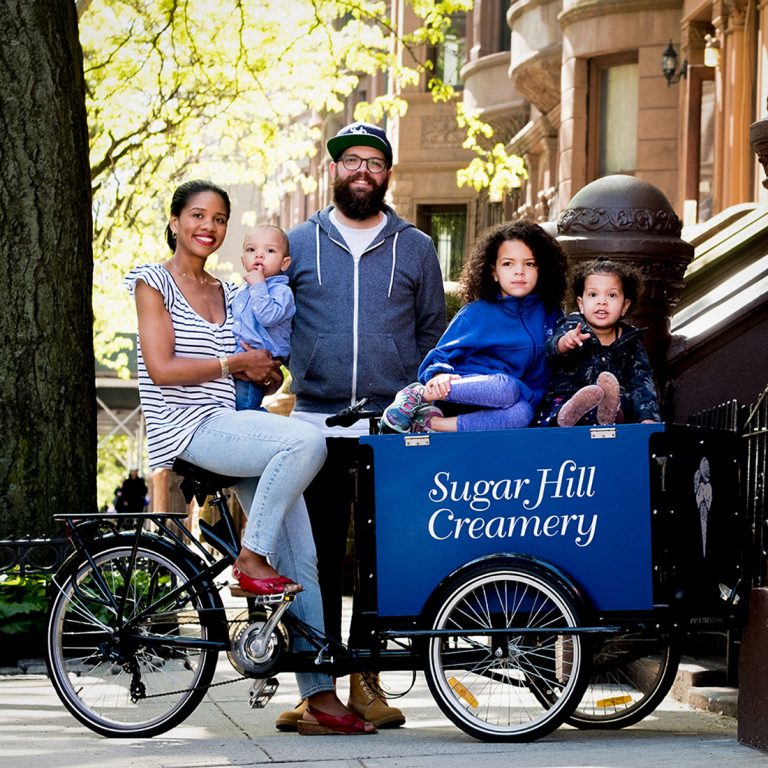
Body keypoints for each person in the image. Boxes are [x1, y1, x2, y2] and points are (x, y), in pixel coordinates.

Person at [124, 179, 375, 736]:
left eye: (218, 219)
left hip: (233, 424)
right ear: (174, 221)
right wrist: (236, 365)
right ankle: (251, 556)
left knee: (303, 558)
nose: (208, 227)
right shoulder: (152, 282)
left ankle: (319, 697)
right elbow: (162, 369)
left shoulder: (230, 290)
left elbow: (257, 358)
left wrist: (264, 372)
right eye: (197, 215)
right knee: (305, 440)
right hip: (188, 429)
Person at [282, 121, 446, 730]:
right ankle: (316, 687)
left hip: (389, 428)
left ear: (387, 174)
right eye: (350, 160)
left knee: (381, 560)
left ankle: (367, 681)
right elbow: (272, 319)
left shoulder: (416, 247)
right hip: (314, 425)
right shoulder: (298, 243)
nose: (361, 171)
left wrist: (416, 401)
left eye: (373, 163)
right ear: (334, 170)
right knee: (315, 559)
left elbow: (433, 334)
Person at [381, 219, 567, 433]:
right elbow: (440, 355)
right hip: (469, 391)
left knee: (524, 413)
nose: (519, 271)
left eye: (530, 264)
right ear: (493, 272)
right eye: (508, 264)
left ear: (542, 269)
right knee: (506, 388)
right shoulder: (477, 313)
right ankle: (416, 395)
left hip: (513, 401)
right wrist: (439, 376)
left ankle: (428, 424)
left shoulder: (550, 313)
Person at [537, 258, 661, 426]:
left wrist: (648, 417)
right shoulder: (573, 327)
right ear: (581, 304)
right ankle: (571, 417)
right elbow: (549, 351)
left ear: (625, 306)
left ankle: (610, 414)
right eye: (593, 295)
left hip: (617, 405)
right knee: (563, 404)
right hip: (570, 397)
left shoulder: (630, 340)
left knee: (621, 402)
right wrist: (565, 343)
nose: (602, 301)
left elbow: (641, 382)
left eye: (612, 295)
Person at [231, 224, 294, 410]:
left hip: (259, 366)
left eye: (270, 250)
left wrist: (259, 286)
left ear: (284, 263)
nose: (259, 255)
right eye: (251, 250)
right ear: (243, 261)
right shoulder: (242, 290)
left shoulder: (282, 292)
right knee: (233, 410)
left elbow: (267, 317)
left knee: (244, 411)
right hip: (239, 363)